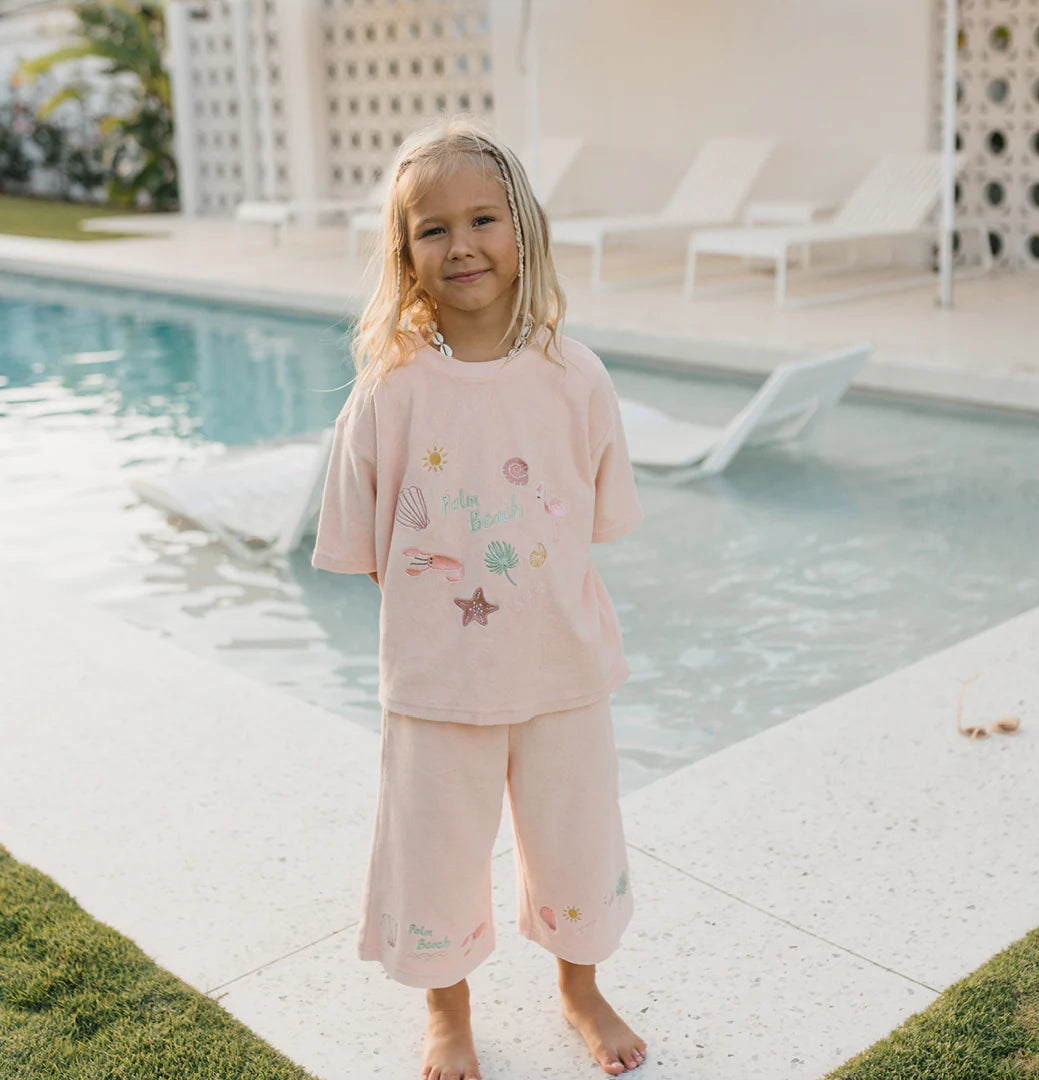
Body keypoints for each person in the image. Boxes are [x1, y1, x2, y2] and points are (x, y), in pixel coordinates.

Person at [311, 115, 646, 1080]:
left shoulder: (575, 376)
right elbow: (371, 544)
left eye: (484, 219)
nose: (462, 244)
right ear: (404, 254)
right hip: (438, 680)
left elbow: (594, 520)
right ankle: (447, 1017)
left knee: (578, 840)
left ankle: (579, 990)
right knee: (437, 853)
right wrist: (450, 620)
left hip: (563, 671)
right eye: (433, 228)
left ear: (524, 230)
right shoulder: (387, 392)